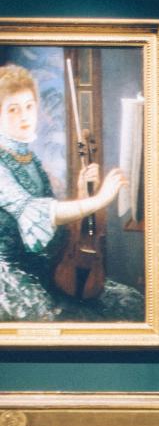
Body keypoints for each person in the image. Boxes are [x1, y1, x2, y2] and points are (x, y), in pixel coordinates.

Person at [0, 64, 142, 322]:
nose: (25, 116)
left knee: (129, 301)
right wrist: (98, 200)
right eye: (13, 109)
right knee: (63, 318)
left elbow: (56, 227)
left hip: (41, 266)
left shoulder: (29, 159)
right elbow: (43, 213)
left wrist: (80, 193)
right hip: (8, 275)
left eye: (30, 106)